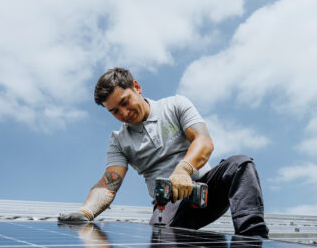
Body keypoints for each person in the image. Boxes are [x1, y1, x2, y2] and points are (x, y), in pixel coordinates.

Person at [58, 67, 269, 237]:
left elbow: (203, 141)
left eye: (124, 102)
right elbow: (109, 182)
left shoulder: (175, 105)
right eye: (114, 111)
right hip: (168, 206)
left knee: (240, 164)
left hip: (206, 192)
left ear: (137, 87)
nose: (123, 113)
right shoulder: (118, 140)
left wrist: (183, 170)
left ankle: (254, 239)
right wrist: (86, 212)